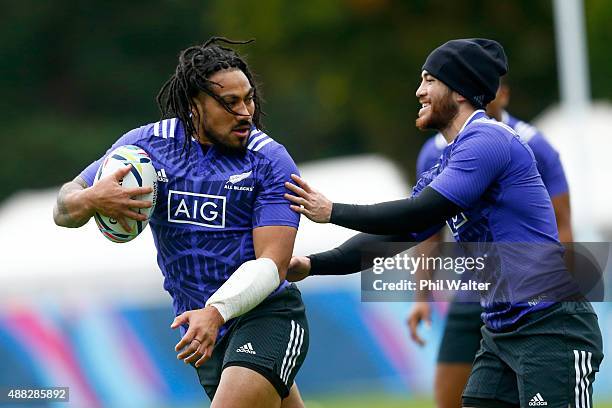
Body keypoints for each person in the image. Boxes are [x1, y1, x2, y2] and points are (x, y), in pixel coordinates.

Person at [285, 39, 602, 408]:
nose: (419, 91)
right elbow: (398, 232)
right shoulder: (446, 160)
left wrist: (332, 210)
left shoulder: (488, 140)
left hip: (550, 327)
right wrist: (313, 265)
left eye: (429, 80)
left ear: (460, 90)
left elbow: (417, 212)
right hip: (501, 331)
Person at [53, 37, 308, 408]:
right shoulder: (146, 148)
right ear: (194, 105)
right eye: (230, 102)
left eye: (249, 98)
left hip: (266, 316)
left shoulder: (269, 162)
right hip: (203, 331)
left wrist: (215, 312)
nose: (246, 112)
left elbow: (273, 265)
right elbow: (62, 209)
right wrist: (92, 198)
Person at [406, 78, 574, 408]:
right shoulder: (435, 154)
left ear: (505, 94)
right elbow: (426, 229)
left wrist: (555, 298)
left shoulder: (532, 145)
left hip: (530, 306)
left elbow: (563, 225)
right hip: (472, 298)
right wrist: (421, 296)